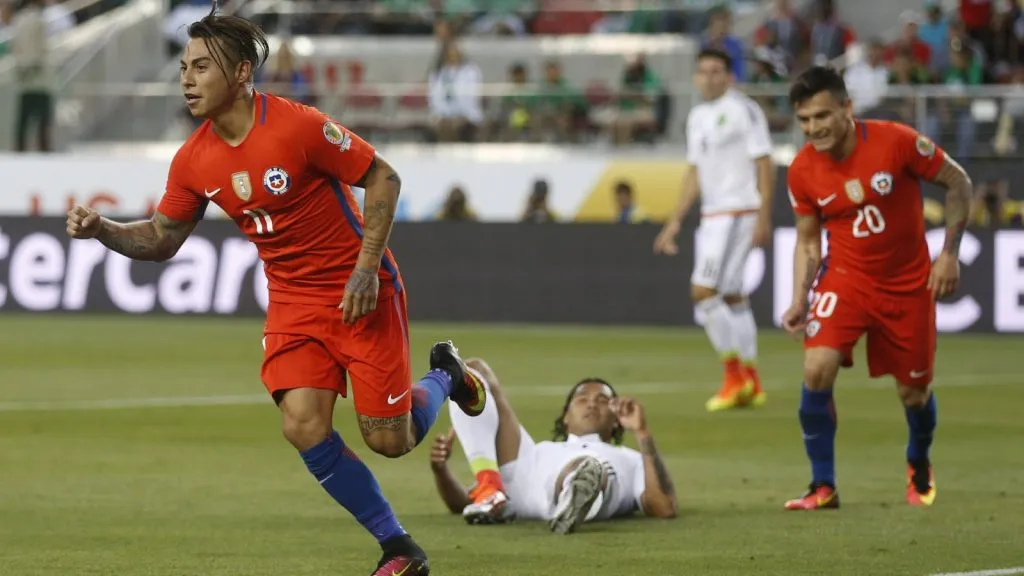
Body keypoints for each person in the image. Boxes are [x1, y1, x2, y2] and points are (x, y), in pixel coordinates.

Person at [64, 9, 488, 575]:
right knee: (302, 424)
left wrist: (366, 267)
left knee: (390, 440)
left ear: (241, 73)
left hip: (358, 289)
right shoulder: (193, 159)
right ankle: (399, 547)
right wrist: (105, 232)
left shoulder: (298, 127)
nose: (187, 79)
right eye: (183, 67)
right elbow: (164, 238)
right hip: (293, 302)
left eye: (201, 67)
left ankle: (447, 376)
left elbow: (383, 176)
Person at [780, 66, 972, 510]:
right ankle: (822, 485)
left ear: (847, 108)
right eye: (805, 120)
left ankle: (918, 461)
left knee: (913, 394)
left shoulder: (896, 141)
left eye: (822, 116)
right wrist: (798, 297)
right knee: (816, 369)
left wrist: (948, 254)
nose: (814, 129)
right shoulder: (802, 170)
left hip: (908, 285)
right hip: (846, 279)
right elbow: (809, 239)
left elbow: (958, 182)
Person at [653, 48, 775, 412]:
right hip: (712, 214)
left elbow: (765, 163)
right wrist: (676, 219)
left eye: (717, 71)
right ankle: (751, 381)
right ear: (695, 77)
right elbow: (695, 172)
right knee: (734, 296)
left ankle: (733, 377)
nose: (709, 77)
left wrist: (766, 215)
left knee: (703, 293)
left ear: (730, 76)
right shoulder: (697, 117)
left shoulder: (743, 109)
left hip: (738, 210)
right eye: (703, 71)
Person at [427, 358, 678, 532]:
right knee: (472, 370)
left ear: (616, 420)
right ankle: (489, 488)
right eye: (582, 399)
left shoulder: (631, 458)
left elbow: (663, 507)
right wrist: (442, 472)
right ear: (566, 415)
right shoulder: (540, 451)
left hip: (593, 478)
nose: (591, 404)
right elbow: (462, 505)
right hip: (528, 474)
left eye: (603, 400)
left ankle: (576, 491)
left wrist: (643, 433)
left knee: (589, 467)